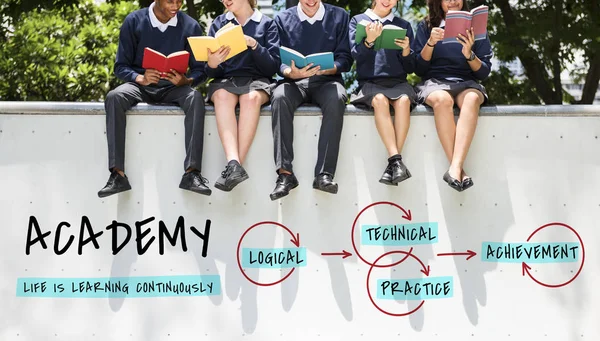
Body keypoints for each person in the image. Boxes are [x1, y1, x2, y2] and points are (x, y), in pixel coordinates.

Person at [98, 0, 211, 198]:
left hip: (174, 88)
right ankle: (117, 175)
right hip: (141, 87)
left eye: (180, 1)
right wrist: (139, 77)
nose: (176, 6)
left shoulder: (191, 26)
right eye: (170, 1)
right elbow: (120, 66)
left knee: (195, 98)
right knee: (114, 97)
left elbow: (201, 70)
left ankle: (192, 173)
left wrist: (187, 80)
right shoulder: (134, 21)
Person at [269, 0, 353, 201]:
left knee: (337, 97)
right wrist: (291, 72)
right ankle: (285, 174)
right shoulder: (282, 19)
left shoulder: (340, 16)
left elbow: (346, 58)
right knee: (279, 97)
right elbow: (276, 60)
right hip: (294, 82)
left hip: (327, 81)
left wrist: (331, 67)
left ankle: (324, 174)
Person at [412, 0, 492, 192]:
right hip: (434, 82)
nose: (453, 1)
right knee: (442, 100)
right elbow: (418, 69)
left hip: (466, 82)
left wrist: (469, 54)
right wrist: (431, 43)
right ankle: (458, 169)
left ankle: (454, 169)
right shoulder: (426, 26)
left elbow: (483, 72)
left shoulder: (475, 27)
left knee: (472, 98)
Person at [206, 0, 280, 192]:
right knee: (221, 96)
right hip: (227, 81)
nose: (225, 0)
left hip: (258, 81)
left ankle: (235, 166)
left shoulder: (267, 24)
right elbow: (212, 72)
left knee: (251, 98)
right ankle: (234, 163)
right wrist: (212, 63)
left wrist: (254, 45)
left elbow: (272, 67)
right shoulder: (219, 23)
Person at [349, 0, 416, 186]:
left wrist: (406, 50)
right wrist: (369, 41)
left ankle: (394, 163)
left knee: (403, 101)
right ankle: (396, 161)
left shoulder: (403, 25)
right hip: (370, 82)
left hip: (398, 82)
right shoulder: (358, 21)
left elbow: (411, 67)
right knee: (380, 100)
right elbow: (354, 56)